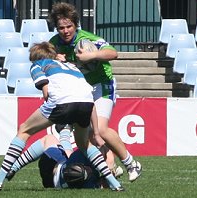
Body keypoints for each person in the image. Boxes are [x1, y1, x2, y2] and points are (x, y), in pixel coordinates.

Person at [0, 42, 123, 191]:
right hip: (87, 102)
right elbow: (90, 102)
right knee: (85, 144)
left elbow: (46, 91)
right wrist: (97, 133)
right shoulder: (72, 67)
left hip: (62, 102)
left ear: (35, 58)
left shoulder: (38, 64)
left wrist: (58, 114)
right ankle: (115, 183)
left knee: (24, 130)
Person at [48, 2, 142, 182]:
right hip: (81, 91)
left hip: (102, 85)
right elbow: (40, 58)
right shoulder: (54, 44)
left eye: (69, 26)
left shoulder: (87, 39)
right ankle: (111, 166)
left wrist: (91, 55)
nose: (66, 31)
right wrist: (53, 58)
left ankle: (131, 163)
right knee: (86, 136)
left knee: (101, 129)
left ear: (76, 25)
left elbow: (113, 53)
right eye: (61, 27)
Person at [6, 124, 117, 189]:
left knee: (50, 139)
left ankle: (13, 168)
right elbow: (104, 183)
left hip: (52, 169)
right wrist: (112, 170)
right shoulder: (92, 183)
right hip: (54, 182)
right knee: (68, 151)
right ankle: (65, 129)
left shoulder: (81, 155)